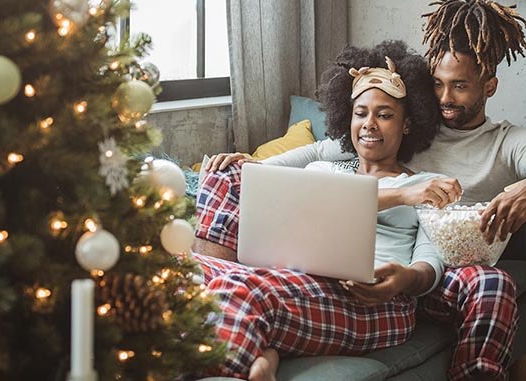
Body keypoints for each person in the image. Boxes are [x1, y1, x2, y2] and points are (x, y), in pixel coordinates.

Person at [195, 1, 526, 380]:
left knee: (493, 282)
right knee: (228, 176)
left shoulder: (505, 142)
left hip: (441, 265)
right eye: (436, 84)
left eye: (459, 86)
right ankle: (236, 290)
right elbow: (328, 148)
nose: (444, 98)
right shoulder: (402, 128)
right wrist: (251, 165)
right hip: (342, 262)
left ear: (488, 86)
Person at [194, 41, 497, 381]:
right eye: (360, 113)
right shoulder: (321, 172)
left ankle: (225, 359)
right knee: (180, 272)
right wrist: (399, 196)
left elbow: (431, 262)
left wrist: (405, 279)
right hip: (296, 280)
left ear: (407, 124)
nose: (370, 124)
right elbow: (280, 197)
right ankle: (258, 353)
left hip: (375, 302)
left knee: (236, 289)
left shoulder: (427, 184)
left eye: (384, 115)